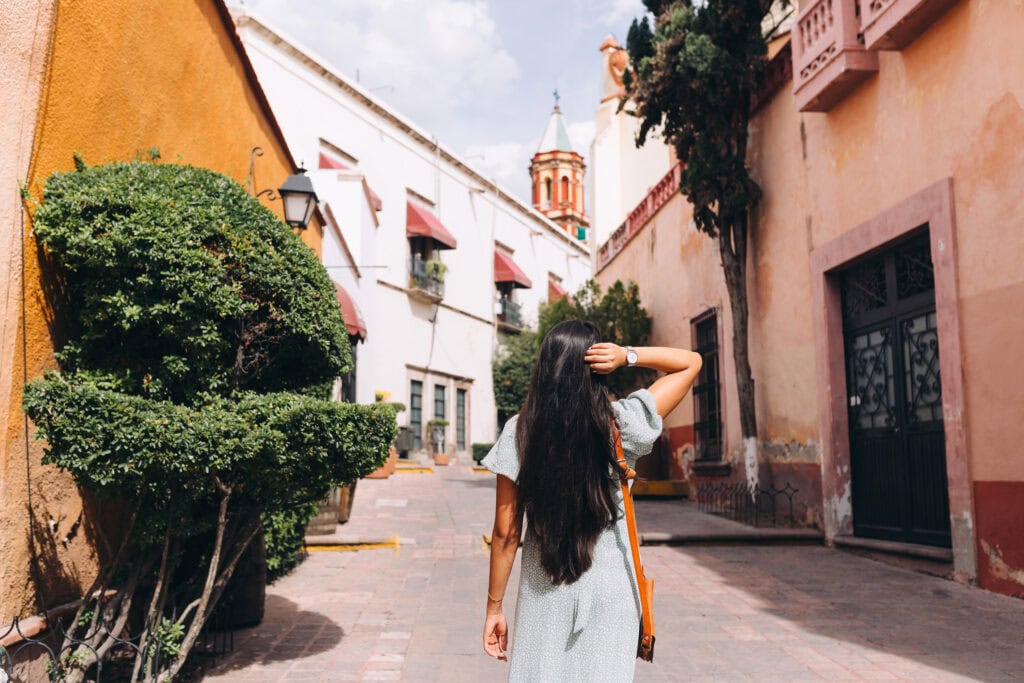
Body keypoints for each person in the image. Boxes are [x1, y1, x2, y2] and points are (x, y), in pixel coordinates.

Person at [481, 320, 703, 681]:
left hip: (545, 590)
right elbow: (690, 362)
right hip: (613, 591)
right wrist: (626, 356)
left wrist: (494, 608)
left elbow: (506, 534)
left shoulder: (520, 431)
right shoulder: (622, 424)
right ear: (597, 369)